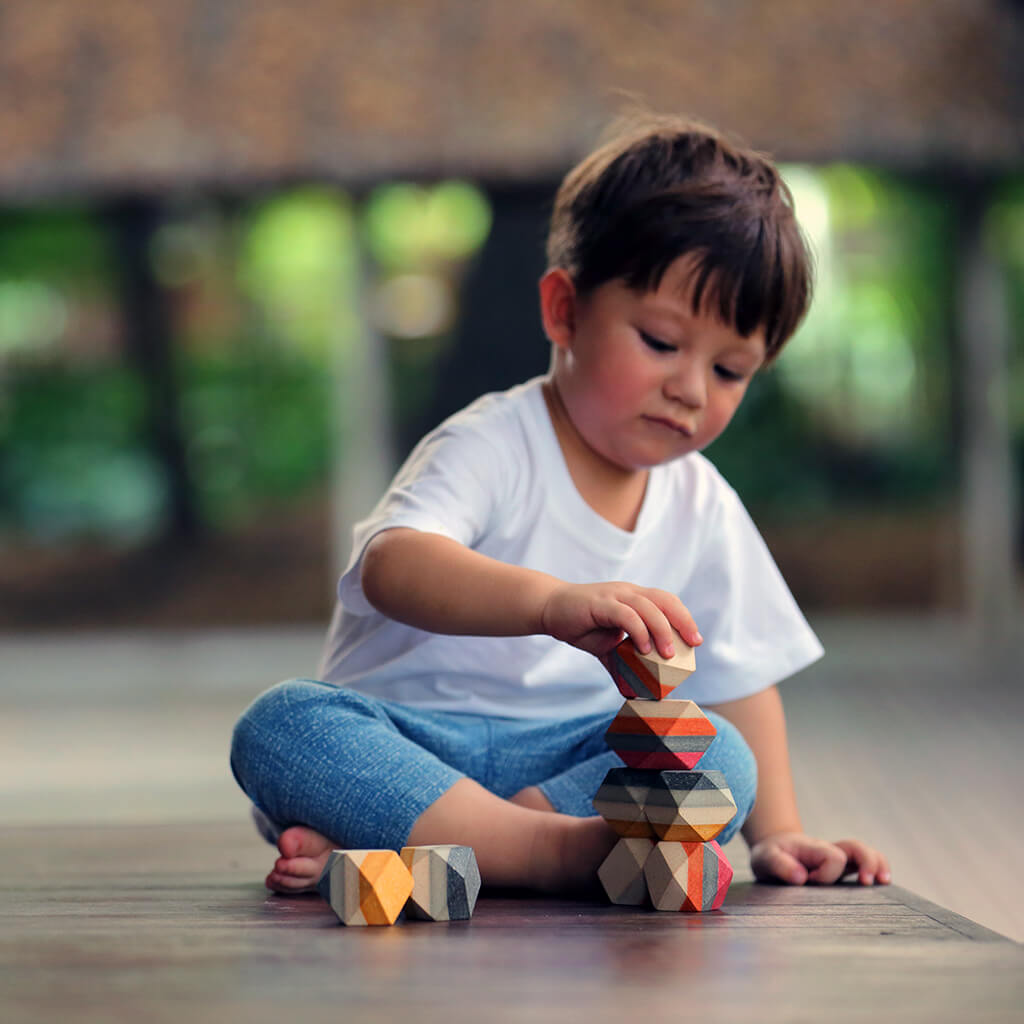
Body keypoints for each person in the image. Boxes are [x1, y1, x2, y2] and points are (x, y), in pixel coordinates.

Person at [230, 112, 891, 897]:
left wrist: (777, 834)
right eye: (661, 342)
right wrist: (549, 604)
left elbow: (740, 677)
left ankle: (447, 846)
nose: (690, 389)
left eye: (730, 371)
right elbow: (394, 564)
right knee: (283, 727)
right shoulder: (494, 442)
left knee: (721, 753)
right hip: (413, 746)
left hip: (568, 766)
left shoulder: (703, 502)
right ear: (565, 311)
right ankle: (544, 853)